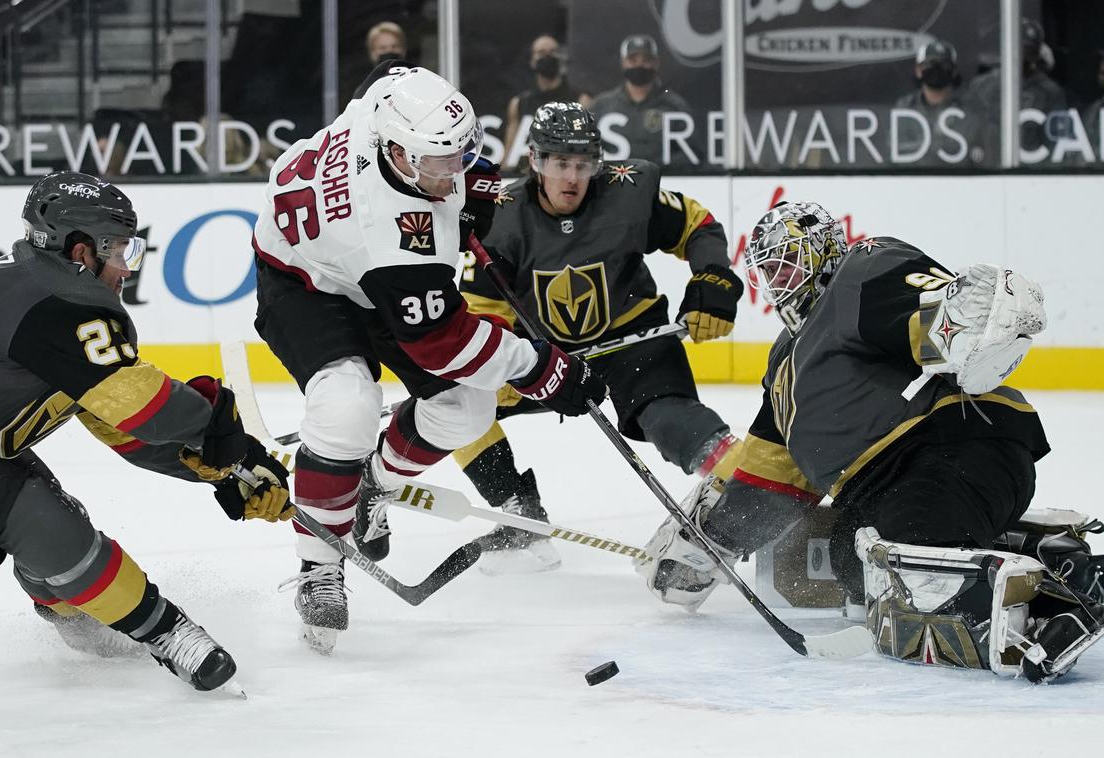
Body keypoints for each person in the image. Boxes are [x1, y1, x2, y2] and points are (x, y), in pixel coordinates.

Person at [636, 200, 1104, 682]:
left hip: (955, 446)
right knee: (858, 563)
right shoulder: (784, 362)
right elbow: (771, 479)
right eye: (772, 274)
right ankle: (1049, 555)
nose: (780, 284)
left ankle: (1055, 612)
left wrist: (964, 316)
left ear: (823, 250)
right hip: (884, 488)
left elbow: (930, 311)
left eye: (789, 266)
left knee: (910, 542)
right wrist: (710, 543)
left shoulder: (861, 272)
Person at [252, 64, 606, 652]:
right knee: (346, 410)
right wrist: (540, 368)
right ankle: (319, 563)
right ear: (395, 154)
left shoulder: (397, 101)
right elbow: (441, 341)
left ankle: (368, 484)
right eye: (439, 165)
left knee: (467, 411)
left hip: (366, 271)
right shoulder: (386, 233)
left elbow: (397, 86)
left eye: (460, 156)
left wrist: (470, 182)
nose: (453, 174)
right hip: (307, 280)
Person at [0, 171, 293, 694]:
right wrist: (222, 429)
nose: (126, 267)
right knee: (41, 523)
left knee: (53, 521)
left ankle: (90, 618)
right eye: (119, 250)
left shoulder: (34, 292)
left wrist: (223, 470)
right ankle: (169, 634)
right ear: (80, 250)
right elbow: (145, 408)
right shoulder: (52, 303)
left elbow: (121, 425)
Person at [457, 102, 744, 572]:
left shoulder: (628, 190)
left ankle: (747, 483)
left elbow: (697, 225)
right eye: (558, 163)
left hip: (634, 336)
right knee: (458, 398)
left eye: (582, 164)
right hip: (547, 357)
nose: (572, 178)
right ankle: (519, 515)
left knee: (669, 419)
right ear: (534, 161)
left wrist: (713, 280)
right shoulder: (499, 218)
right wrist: (500, 363)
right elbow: (483, 309)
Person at [962, 18, 1067, 164]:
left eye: (1028, 50)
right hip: (985, 168)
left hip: (1033, 171)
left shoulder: (1051, 93)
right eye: (1017, 48)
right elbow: (967, 131)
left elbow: (1058, 144)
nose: (1021, 56)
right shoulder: (981, 86)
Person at [590, 35, 695, 164]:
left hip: (663, 180)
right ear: (623, 62)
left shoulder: (675, 107)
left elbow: (693, 155)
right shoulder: (602, 106)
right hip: (615, 180)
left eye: (646, 59)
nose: (640, 65)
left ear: (656, 63)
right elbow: (588, 151)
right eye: (633, 60)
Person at [502, 35, 591, 168]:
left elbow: (585, 150)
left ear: (560, 58)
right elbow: (509, 158)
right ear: (532, 61)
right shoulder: (519, 103)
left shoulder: (580, 101)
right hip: (524, 176)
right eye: (541, 53)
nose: (547, 57)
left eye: (552, 52)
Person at [894, 40, 978, 167]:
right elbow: (895, 150)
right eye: (930, 64)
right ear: (918, 70)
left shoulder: (968, 110)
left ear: (954, 71)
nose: (937, 69)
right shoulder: (904, 108)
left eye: (944, 65)